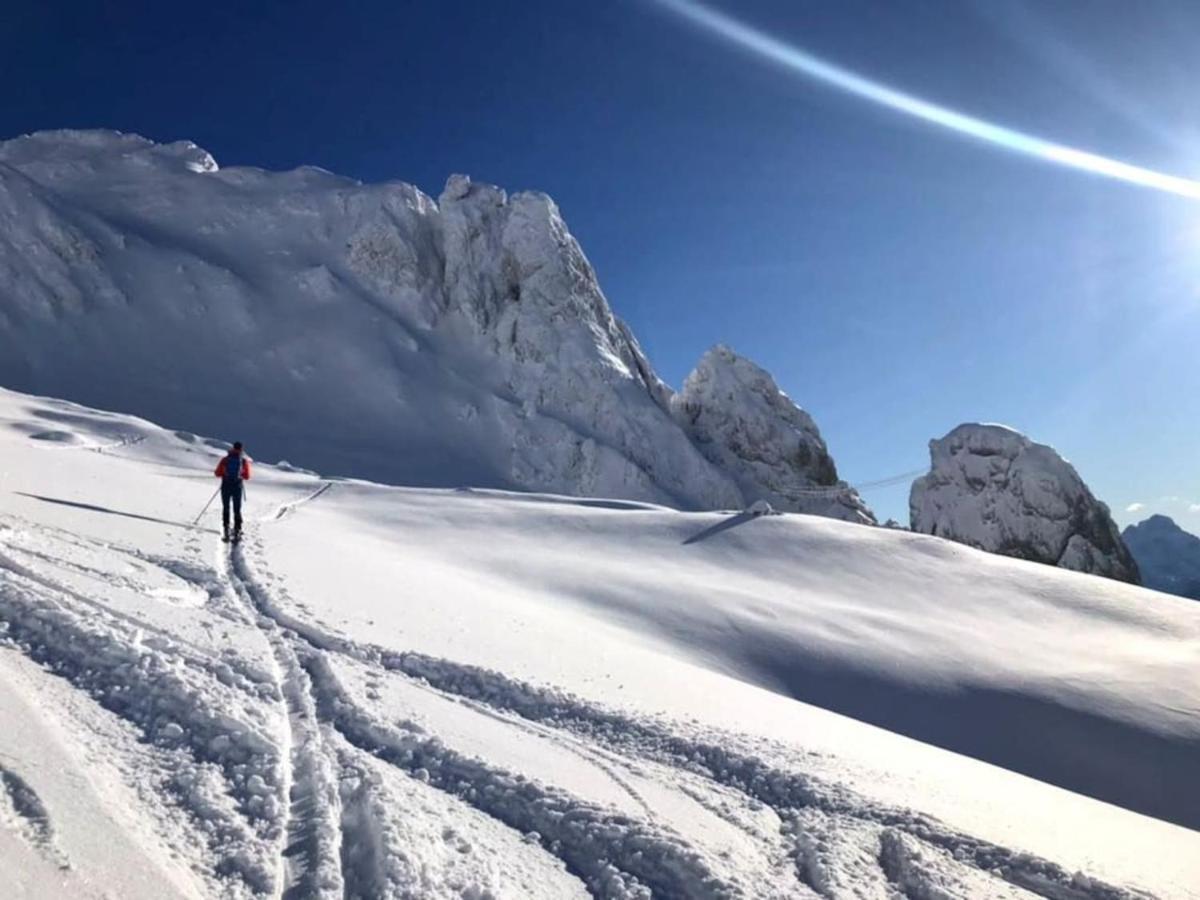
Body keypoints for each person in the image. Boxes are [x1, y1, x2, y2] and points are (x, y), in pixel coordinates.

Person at [214, 441, 252, 542]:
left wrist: (224, 475)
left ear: (232, 448)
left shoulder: (225, 460)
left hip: (226, 485)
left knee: (226, 507)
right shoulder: (243, 461)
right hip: (237, 487)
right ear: (241, 449)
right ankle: (237, 530)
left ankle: (226, 529)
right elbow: (247, 476)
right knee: (237, 509)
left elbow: (217, 473)